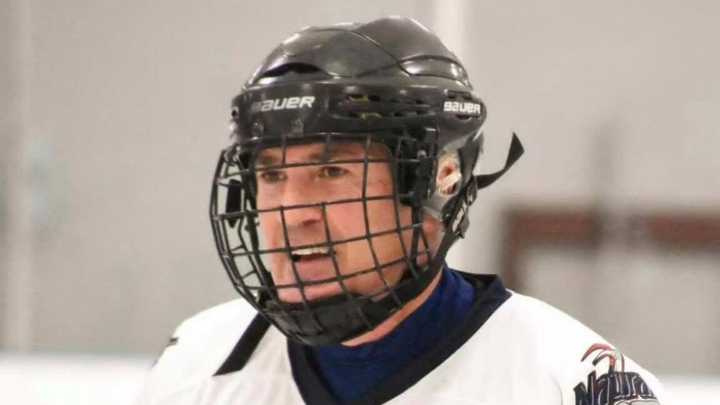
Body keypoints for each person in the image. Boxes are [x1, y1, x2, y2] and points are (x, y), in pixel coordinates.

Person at [135, 16, 664, 405]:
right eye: (272, 176)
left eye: (331, 171)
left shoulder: (571, 385)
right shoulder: (196, 365)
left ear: (437, 182)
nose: (293, 213)